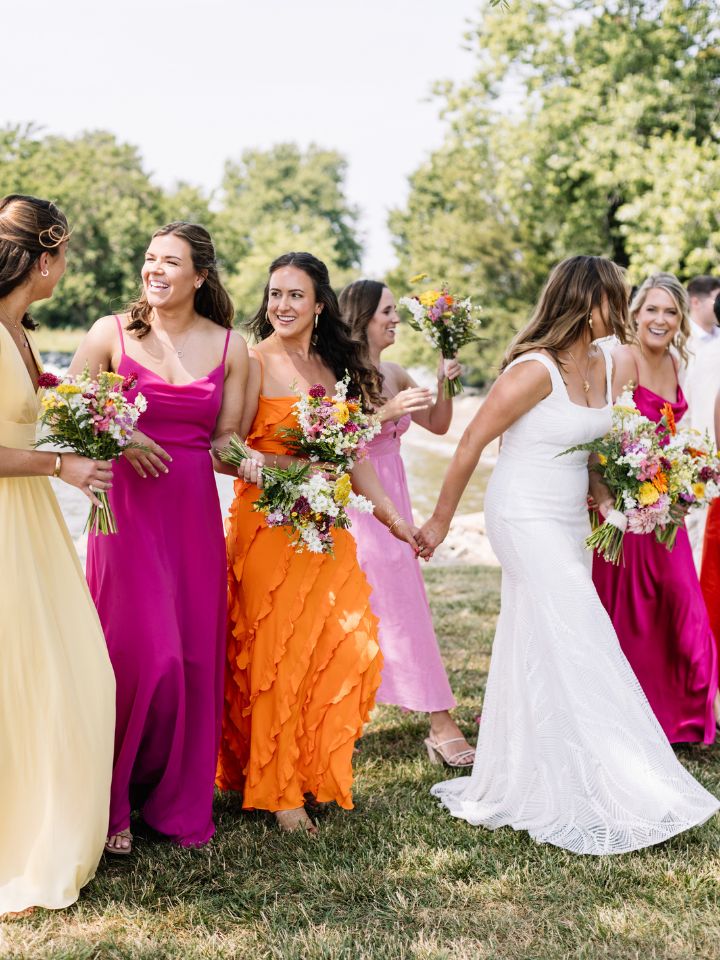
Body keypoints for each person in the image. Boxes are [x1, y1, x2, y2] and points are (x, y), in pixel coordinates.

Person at [417, 255, 719, 855]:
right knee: (583, 628)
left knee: (537, 636)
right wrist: (440, 520)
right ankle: (617, 776)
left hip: (569, 519)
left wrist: (612, 509)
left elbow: (595, 449)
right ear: (590, 303)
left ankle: (532, 769)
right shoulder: (535, 369)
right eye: (619, 299)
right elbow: (473, 441)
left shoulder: (607, 363)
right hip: (522, 515)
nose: (627, 312)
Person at [215, 252, 419, 834]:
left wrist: (396, 522)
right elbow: (224, 446)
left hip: (326, 530)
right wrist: (287, 474)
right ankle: (277, 792)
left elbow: (352, 458)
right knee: (273, 653)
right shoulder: (252, 362)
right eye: (275, 294)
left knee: (339, 645)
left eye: (295, 295)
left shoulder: (335, 366)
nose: (282, 305)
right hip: (268, 527)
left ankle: (305, 767)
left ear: (319, 304)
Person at [70, 222, 248, 854]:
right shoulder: (109, 333)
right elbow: (67, 410)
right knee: (144, 656)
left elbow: (226, 441)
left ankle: (172, 805)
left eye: (169, 262)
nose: (155, 270)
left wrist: (289, 475)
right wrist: (123, 434)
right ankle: (110, 802)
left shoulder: (233, 346)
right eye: (149, 259)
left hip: (192, 514)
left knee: (192, 659)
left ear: (200, 275)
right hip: (122, 513)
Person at [0, 195, 115, 915]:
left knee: (71, 674)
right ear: (45, 259)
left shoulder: (19, 332)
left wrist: (104, 431)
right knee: (24, 678)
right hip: (11, 524)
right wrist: (60, 468)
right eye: (64, 257)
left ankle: (47, 819)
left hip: (31, 526)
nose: (64, 270)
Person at [339, 278, 474, 767]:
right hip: (358, 508)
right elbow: (333, 439)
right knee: (371, 612)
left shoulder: (393, 371)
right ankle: (432, 722)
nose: (395, 319)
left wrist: (444, 381)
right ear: (362, 317)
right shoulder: (336, 375)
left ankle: (436, 721)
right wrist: (386, 412)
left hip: (397, 503)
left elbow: (438, 424)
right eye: (387, 312)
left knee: (402, 607)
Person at [593, 274, 719, 744]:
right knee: (629, 615)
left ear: (680, 319)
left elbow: (674, 434)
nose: (660, 320)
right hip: (622, 510)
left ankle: (683, 717)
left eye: (670, 312)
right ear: (636, 313)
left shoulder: (675, 360)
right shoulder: (622, 359)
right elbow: (604, 434)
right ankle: (632, 721)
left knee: (683, 606)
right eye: (652, 309)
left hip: (664, 509)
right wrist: (615, 492)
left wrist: (686, 475)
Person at [683, 276, 720, 565]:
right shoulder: (687, 345)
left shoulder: (713, 348)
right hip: (698, 450)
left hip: (708, 451)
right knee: (699, 533)